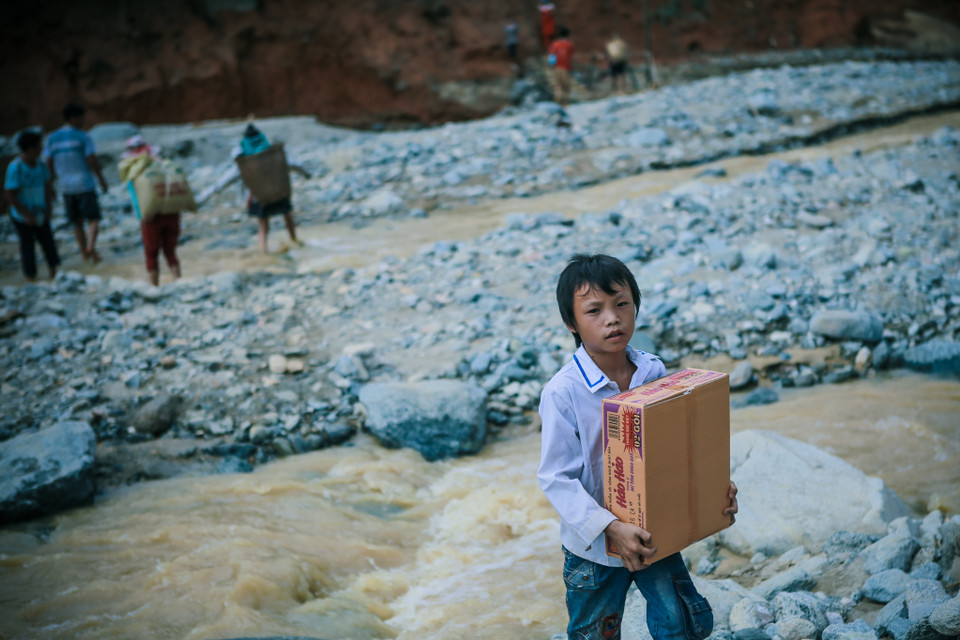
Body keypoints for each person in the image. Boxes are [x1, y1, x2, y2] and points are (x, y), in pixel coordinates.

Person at [538, 253, 739, 640]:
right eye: (594, 310)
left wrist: (714, 490)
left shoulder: (651, 372)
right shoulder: (563, 392)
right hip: (593, 549)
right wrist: (611, 527)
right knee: (595, 633)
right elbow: (555, 478)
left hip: (651, 533)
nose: (612, 318)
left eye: (622, 304)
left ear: (635, 307)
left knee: (681, 621)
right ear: (571, 323)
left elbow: (675, 451)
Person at [43, 102, 109, 263]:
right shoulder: (83, 136)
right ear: (73, 118)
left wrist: (50, 186)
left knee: (76, 222)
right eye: (81, 118)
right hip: (85, 183)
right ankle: (91, 245)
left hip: (66, 187)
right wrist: (101, 179)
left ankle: (84, 254)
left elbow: (48, 164)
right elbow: (91, 159)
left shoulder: (52, 138)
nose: (83, 121)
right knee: (93, 218)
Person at [120, 135, 181, 286]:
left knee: (151, 253)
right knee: (170, 250)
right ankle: (178, 282)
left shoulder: (135, 172)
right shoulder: (162, 164)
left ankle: (154, 286)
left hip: (150, 215)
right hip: (172, 212)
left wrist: (142, 215)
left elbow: (136, 198)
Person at [234, 123, 300, 254]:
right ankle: (294, 241)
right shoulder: (270, 150)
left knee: (263, 225)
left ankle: (264, 250)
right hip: (278, 191)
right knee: (287, 216)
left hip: (260, 196)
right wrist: (307, 173)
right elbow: (292, 164)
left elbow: (230, 178)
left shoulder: (245, 157)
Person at [4, 131, 60, 282]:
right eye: (38, 146)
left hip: (41, 212)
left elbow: (48, 187)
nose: (41, 148)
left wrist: (49, 208)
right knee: (28, 246)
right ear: (30, 148)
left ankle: (54, 274)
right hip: (22, 216)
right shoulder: (16, 167)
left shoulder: (41, 165)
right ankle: (31, 278)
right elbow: (9, 193)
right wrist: (25, 214)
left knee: (48, 243)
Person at [547, 25, 575, 106]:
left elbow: (552, 56)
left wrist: (552, 65)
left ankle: (557, 101)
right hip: (565, 68)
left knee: (558, 85)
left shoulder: (555, 44)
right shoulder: (569, 45)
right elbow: (570, 56)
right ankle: (565, 102)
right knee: (566, 86)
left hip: (557, 67)